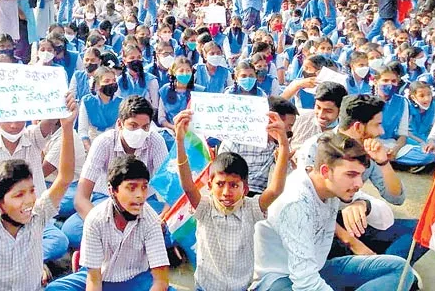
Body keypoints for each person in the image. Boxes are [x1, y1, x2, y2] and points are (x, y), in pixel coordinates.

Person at [251, 131, 415, 291]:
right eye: (351, 174)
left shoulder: (331, 185)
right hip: (281, 280)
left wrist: (363, 203)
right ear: (325, 171)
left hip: (318, 269)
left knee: (400, 270)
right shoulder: (295, 203)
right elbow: (305, 283)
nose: (359, 183)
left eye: (360, 175)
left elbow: (386, 215)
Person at [0, 93, 75, 290]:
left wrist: (67, 127)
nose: (30, 200)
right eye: (18, 195)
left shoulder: (38, 216)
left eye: (32, 191)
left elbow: (64, 178)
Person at [173, 107, 289, 291]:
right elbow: (187, 184)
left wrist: (283, 143)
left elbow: (275, 189)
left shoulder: (251, 208)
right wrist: (180, 140)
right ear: (210, 185)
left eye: (234, 185)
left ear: (245, 188)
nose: (226, 191)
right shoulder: (204, 207)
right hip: (206, 287)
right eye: (220, 184)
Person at [47, 156, 171, 291]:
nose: (140, 195)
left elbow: (161, 280)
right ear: (112, 190)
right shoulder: (95, 219)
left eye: (144, 187)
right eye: (132, 188)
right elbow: (94, 279)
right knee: (55, 288)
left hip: (136, 279)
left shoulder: (151, 219)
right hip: (100, 276)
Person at [62, 96, 169, 249]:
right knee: (71, 230)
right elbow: (81, 198)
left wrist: (163, 220)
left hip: (143, 203)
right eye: (133, 125)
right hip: (106, 200)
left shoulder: (155, 140)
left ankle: (120, 248)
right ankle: (135, 248)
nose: (140, 132)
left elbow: (171, 192)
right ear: (120, 124)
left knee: (176, 226)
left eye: (145, 127)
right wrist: (105, 229)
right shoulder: (103, 142)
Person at [78, 66, 122, 152]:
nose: (111, 83)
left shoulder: (121, 102)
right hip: (92, 142)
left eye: (113, 80)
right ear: (97, 85)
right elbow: (83, 131)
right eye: (107, 81)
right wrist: (90, 150)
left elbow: (119, 131)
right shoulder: (87, 101)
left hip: (113, 144)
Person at [17, 0, 38, 64]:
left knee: (29, 42)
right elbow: (15, 2)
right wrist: (20, 13)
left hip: (29, 15)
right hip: (23, 17)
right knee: (23, 42)